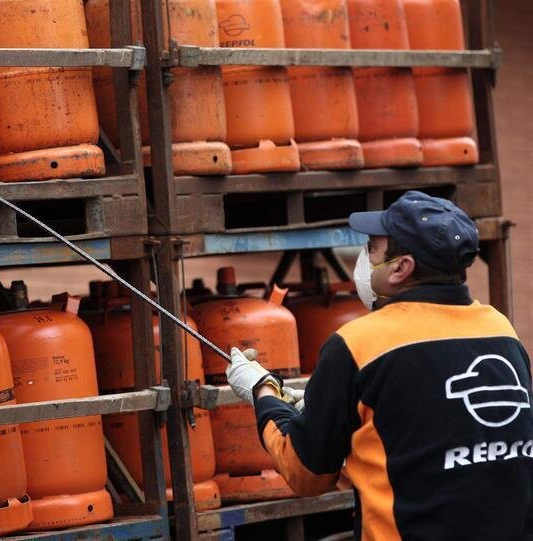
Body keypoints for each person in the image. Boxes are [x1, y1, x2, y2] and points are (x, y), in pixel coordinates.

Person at [225, 191, 533, 540]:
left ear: (402, 268)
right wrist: (332, 416)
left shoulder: (359, 344)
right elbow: (430, 438)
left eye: (372, 248)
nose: (364, 257)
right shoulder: (501, 331)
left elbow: (305, 473)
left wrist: (263, 393)